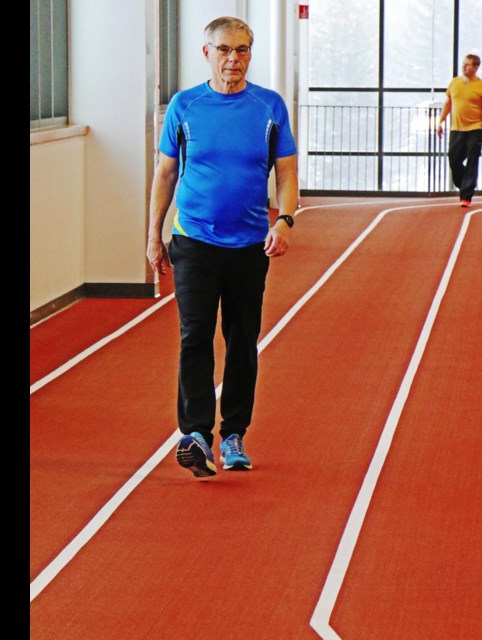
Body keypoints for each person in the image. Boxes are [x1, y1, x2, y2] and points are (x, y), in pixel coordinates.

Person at [147, 16, 298, 478]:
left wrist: (286, 220)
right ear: (206, 53)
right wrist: (154, 234)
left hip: (250, 245)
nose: (234, 59)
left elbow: (287, 174)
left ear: (250, 54)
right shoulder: (185, 105)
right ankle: (194, 433)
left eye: (243, 50)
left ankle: (233, 434)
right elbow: (166, 174)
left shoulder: (269, 108)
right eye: (225, 50)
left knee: (241, 342)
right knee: (194, 337)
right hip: (193, 240)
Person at [436, 54, 482, 207]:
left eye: (467, 65)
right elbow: (448, 103)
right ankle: (466, 184)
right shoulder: (454, 83)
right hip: (456, 129)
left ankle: (466, 196)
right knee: (453, 159)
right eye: (463, 64)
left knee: (472, 161)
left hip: (475, 129)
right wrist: (440, 122)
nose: (463, 67)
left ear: (475, 67)